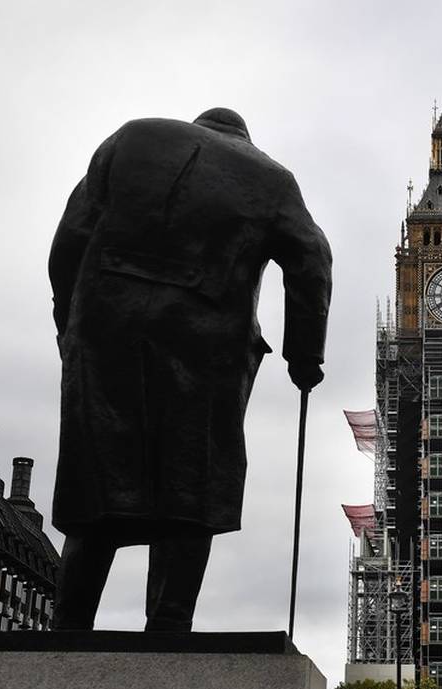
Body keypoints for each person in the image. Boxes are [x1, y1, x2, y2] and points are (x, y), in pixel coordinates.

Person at [47, 108, 332, 631]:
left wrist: (70, 320)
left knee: (98, 474)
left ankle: (69, 622)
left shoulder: (132, 136)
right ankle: (170, 622)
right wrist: (304, 354)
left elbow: (70, 237)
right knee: (193, 480)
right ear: (243, 138)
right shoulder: (272, 178)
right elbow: (311, 259)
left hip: (105, 325)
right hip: (206, 341)